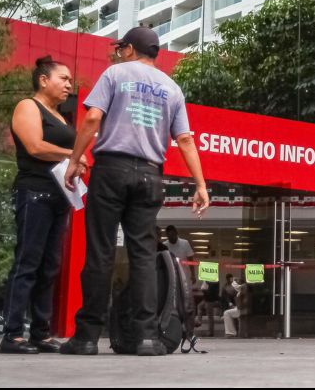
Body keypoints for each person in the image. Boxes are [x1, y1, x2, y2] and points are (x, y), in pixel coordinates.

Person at [60, 27, 209, 357]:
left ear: (129, 49)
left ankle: (87, 337)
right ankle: (146, 337)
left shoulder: (115, 74)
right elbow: (185, 140)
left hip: (111, 169)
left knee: (100, 251)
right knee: (143, 254)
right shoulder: (172, 88)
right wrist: (200, 185)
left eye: (120, 49)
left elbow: (92, 118)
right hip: (151, 175)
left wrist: (74, 159)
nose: (118, 54)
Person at [0, 57, 81, 354]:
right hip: (34, 192)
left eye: (70, 80)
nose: (69, 84)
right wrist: (73, 155)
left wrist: (76, 162)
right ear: (44, 80)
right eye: (63, 78)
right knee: (27, 263)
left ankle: (40, 333)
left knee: (50, 266)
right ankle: (12, 335)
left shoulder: (60, 116)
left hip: (60, 196)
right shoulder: (28, 106)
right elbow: (35, 146)